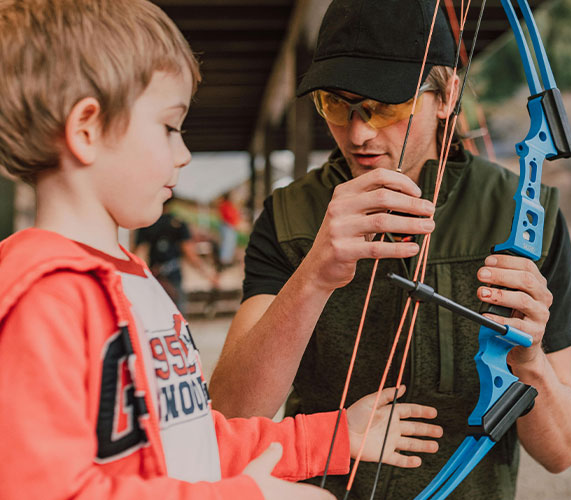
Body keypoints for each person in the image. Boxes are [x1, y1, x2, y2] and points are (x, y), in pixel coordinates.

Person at [0, 1, 444, 499]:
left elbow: (189, 440)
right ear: (86, 129)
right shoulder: (46, 297)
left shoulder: (129, 278)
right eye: (169, 126)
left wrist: (336, 437)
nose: (184, 153)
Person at [209, 0, 571, 498]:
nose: (359, 132)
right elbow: (229, 417)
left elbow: (563, 452)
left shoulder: (525, 215)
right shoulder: (289, 215)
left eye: (386, 107)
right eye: (335, 105)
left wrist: (530, 359)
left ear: (447, 94)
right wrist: (316, 271)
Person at [135, 199, 218, 312]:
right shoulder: (178, 223)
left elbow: (138, 253)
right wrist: (207, 274)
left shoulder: (147, 223)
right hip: (173, 275)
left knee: (155, 313)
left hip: (155, 274)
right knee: (177, 315)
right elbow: (189, 252)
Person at [216, 192, 241, 268]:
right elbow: (230, 216)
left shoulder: (229, 205)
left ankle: (227, 260)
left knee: (230, 244)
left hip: (230, 226)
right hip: (228, 226)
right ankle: (224, 261)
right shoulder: (225, 205)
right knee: (227, 244)